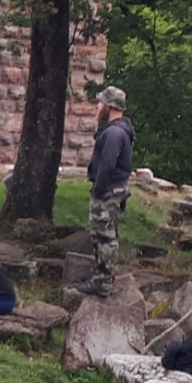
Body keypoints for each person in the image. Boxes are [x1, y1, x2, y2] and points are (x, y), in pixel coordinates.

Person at [77, 84, 134, 299]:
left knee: (104, 235)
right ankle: (102, 277)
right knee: (105, 234)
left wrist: (98, 190)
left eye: (100, 102)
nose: (97, 106)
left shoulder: (114, 133)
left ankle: (103, 282)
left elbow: (108, 164)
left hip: (108, 191)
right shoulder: (121, 130)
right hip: (116, 189)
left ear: (109, 106)